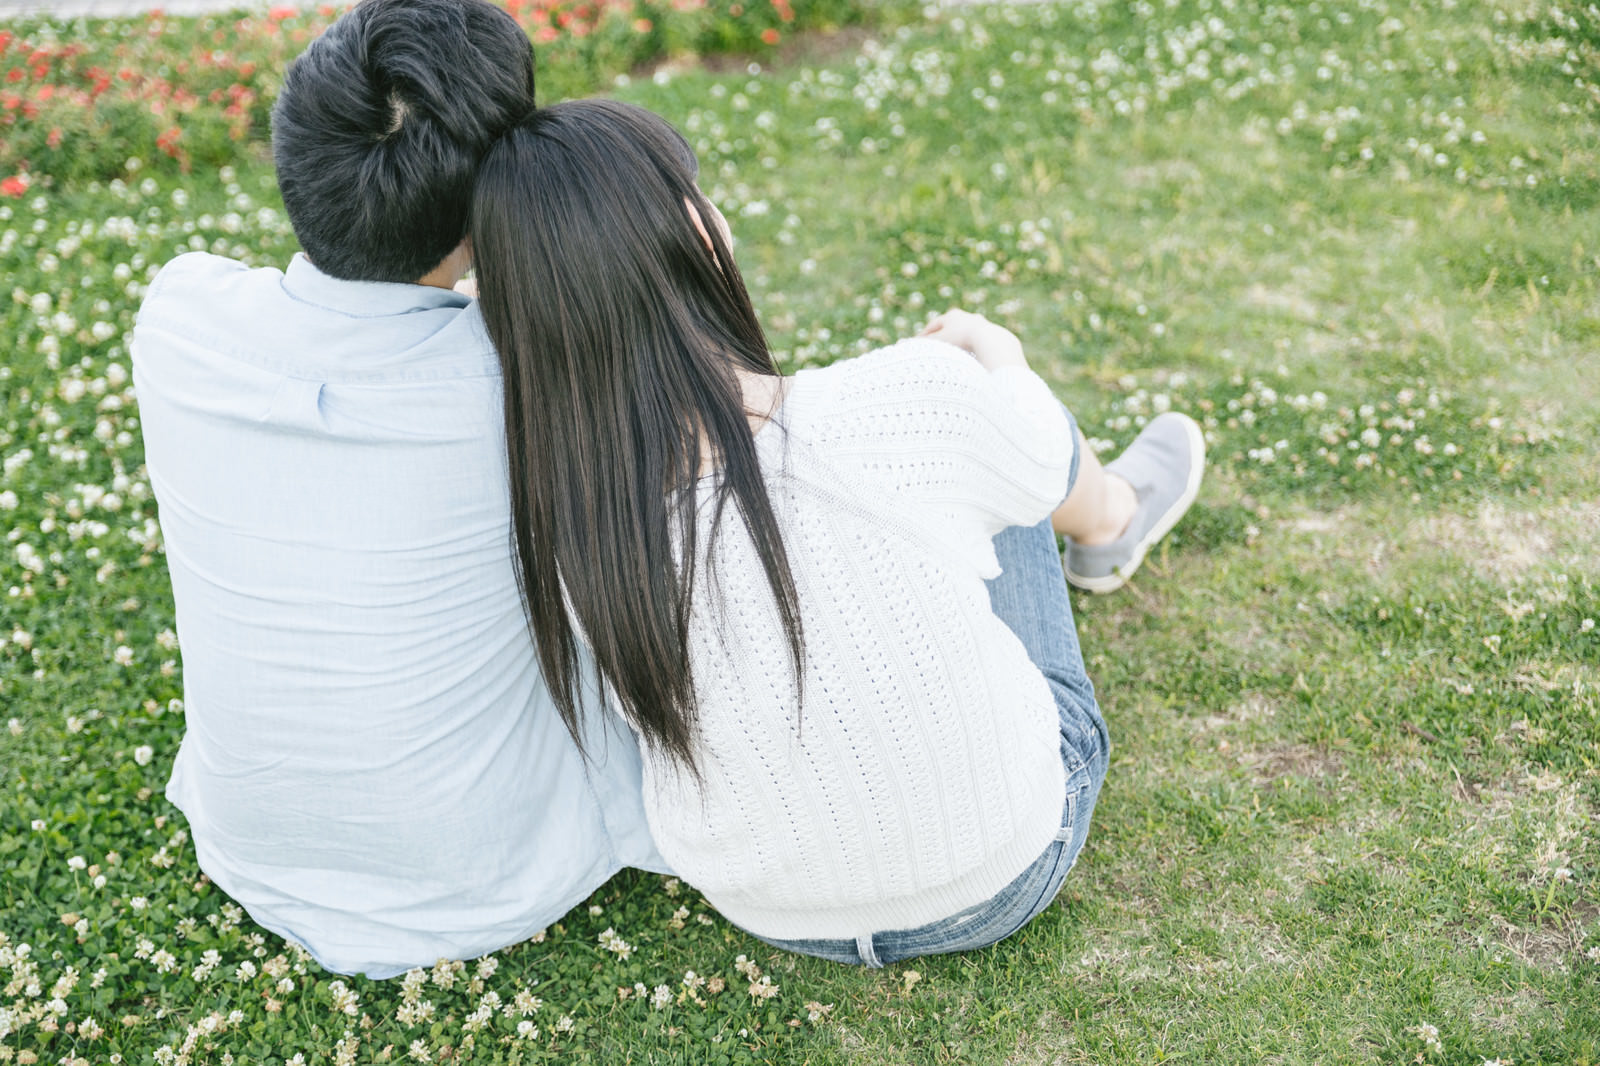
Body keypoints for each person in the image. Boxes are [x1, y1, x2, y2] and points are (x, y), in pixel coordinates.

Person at [468, 99, 1206, 965]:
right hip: (1003, 871)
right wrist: (993, 352)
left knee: (959, 455)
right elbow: (1037, 447)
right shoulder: (901, 398)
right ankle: (1113, 515)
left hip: (771, 911)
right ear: (704, 233)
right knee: (1009, 438)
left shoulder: (574, 528)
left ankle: (1097, 504)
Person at [130, 0, 665, 979]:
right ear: (494, 192)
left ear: (293, 153)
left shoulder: (178, 319)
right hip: (486, 872)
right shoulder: (526, 375)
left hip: (252, 840)